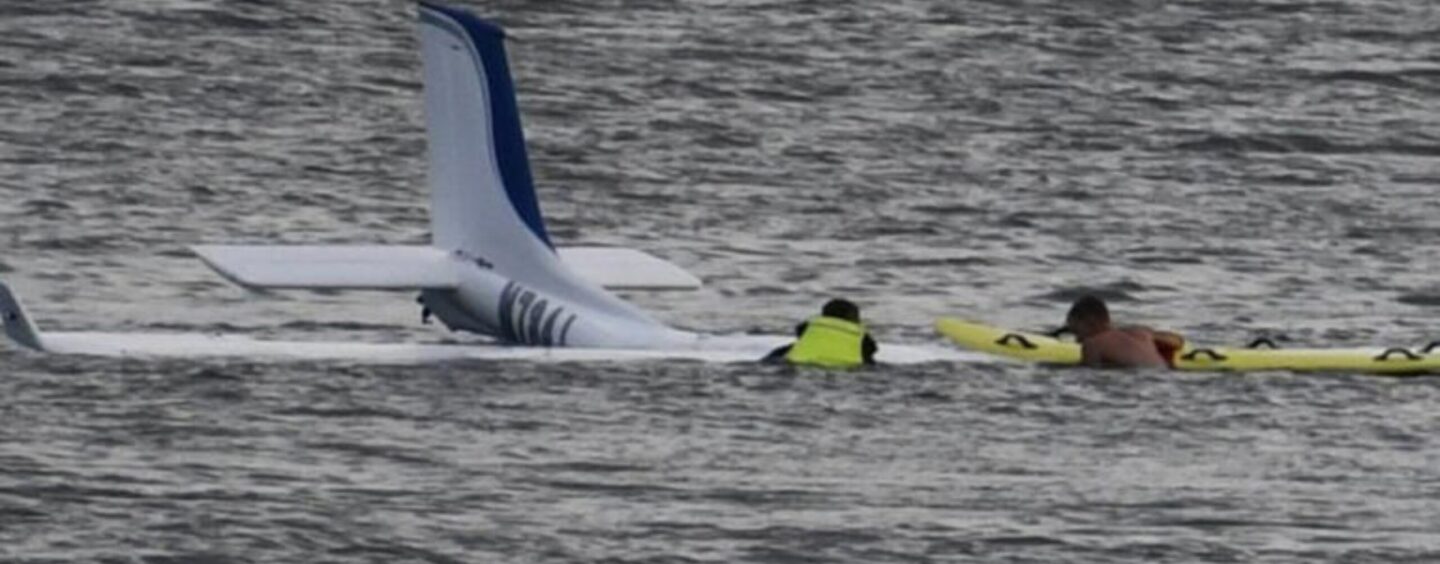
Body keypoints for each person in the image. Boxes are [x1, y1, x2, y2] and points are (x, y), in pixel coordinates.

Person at [1064, 295, 1183, 369]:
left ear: (1090, 323)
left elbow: (1088, 372)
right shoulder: (1140, 332)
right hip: (1163, 373)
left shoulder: (1092, 344)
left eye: (1076, 332)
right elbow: (1177, 341)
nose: (1077, 340)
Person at [763, 298, 878, 368]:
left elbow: (799, 333)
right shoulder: (860, 340)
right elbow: (871, 349)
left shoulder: (808, 329)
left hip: (798, 367)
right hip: (847, 371)